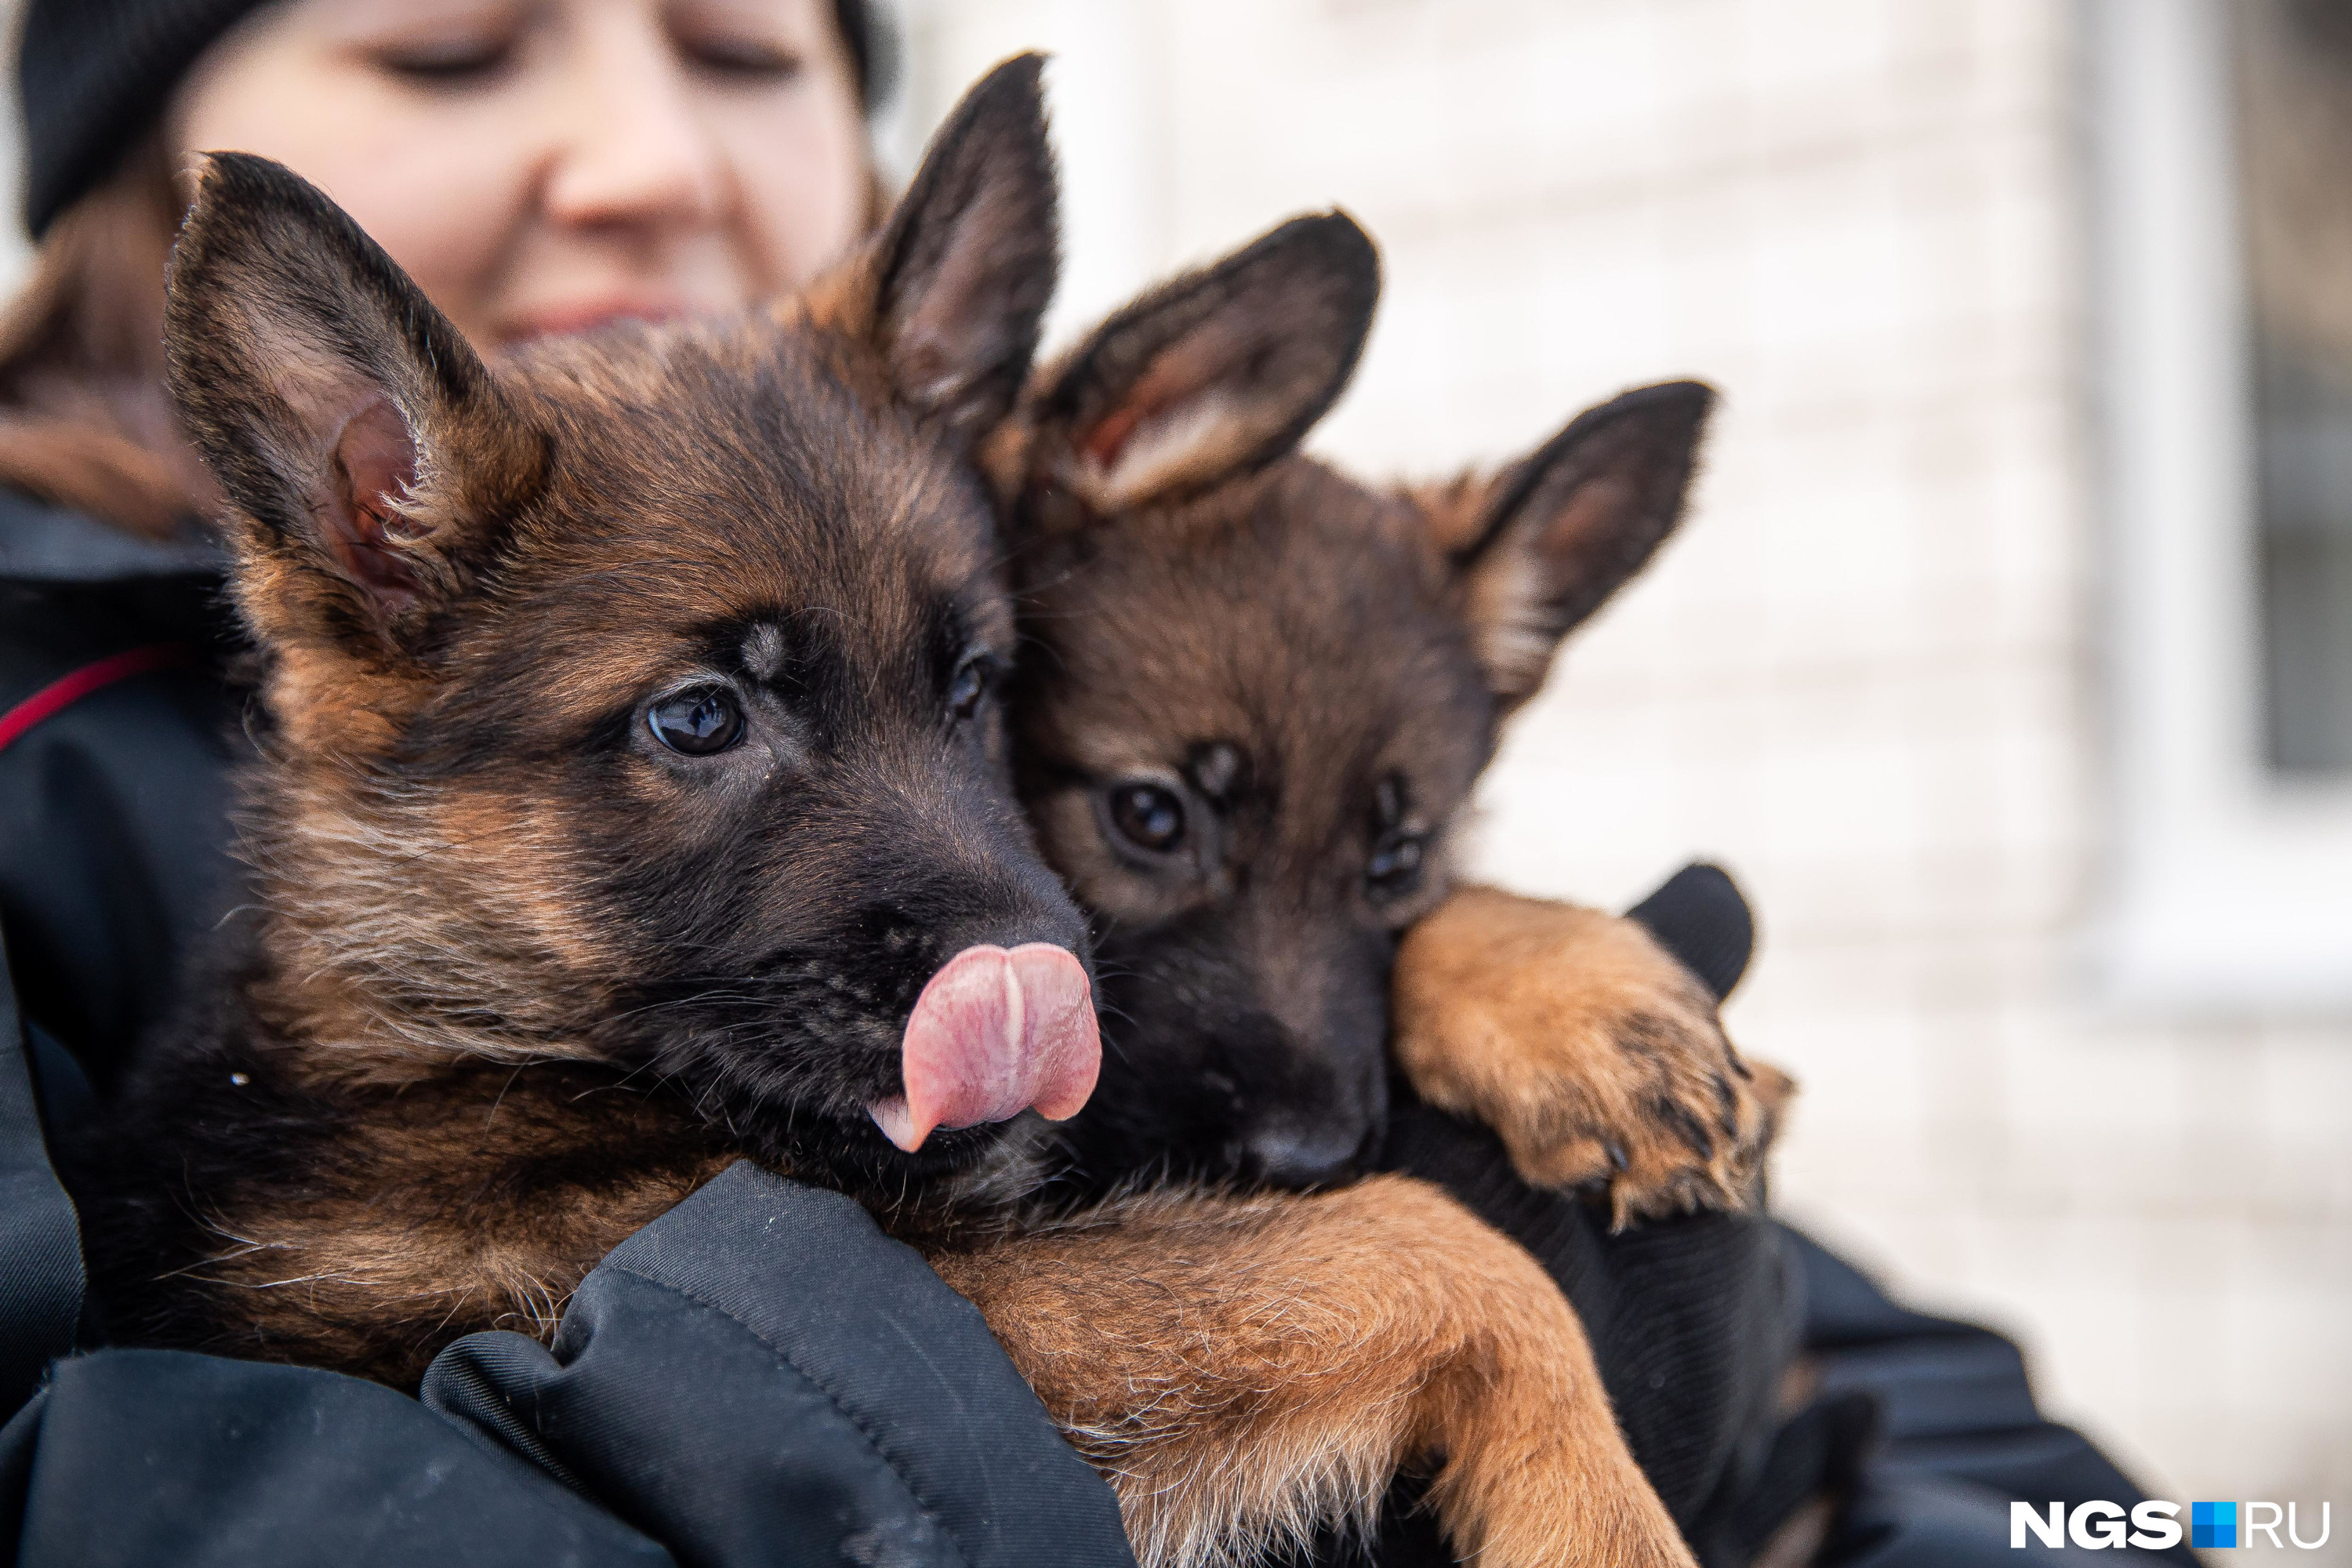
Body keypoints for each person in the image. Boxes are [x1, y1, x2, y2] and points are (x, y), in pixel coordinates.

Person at [0, 5, 2194, 1566]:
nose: (654, 152)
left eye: (755, 52)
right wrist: (1398, 1331)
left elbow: (2025, 1462)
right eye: (454, 47)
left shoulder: (936, 570)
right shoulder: (103, 795)